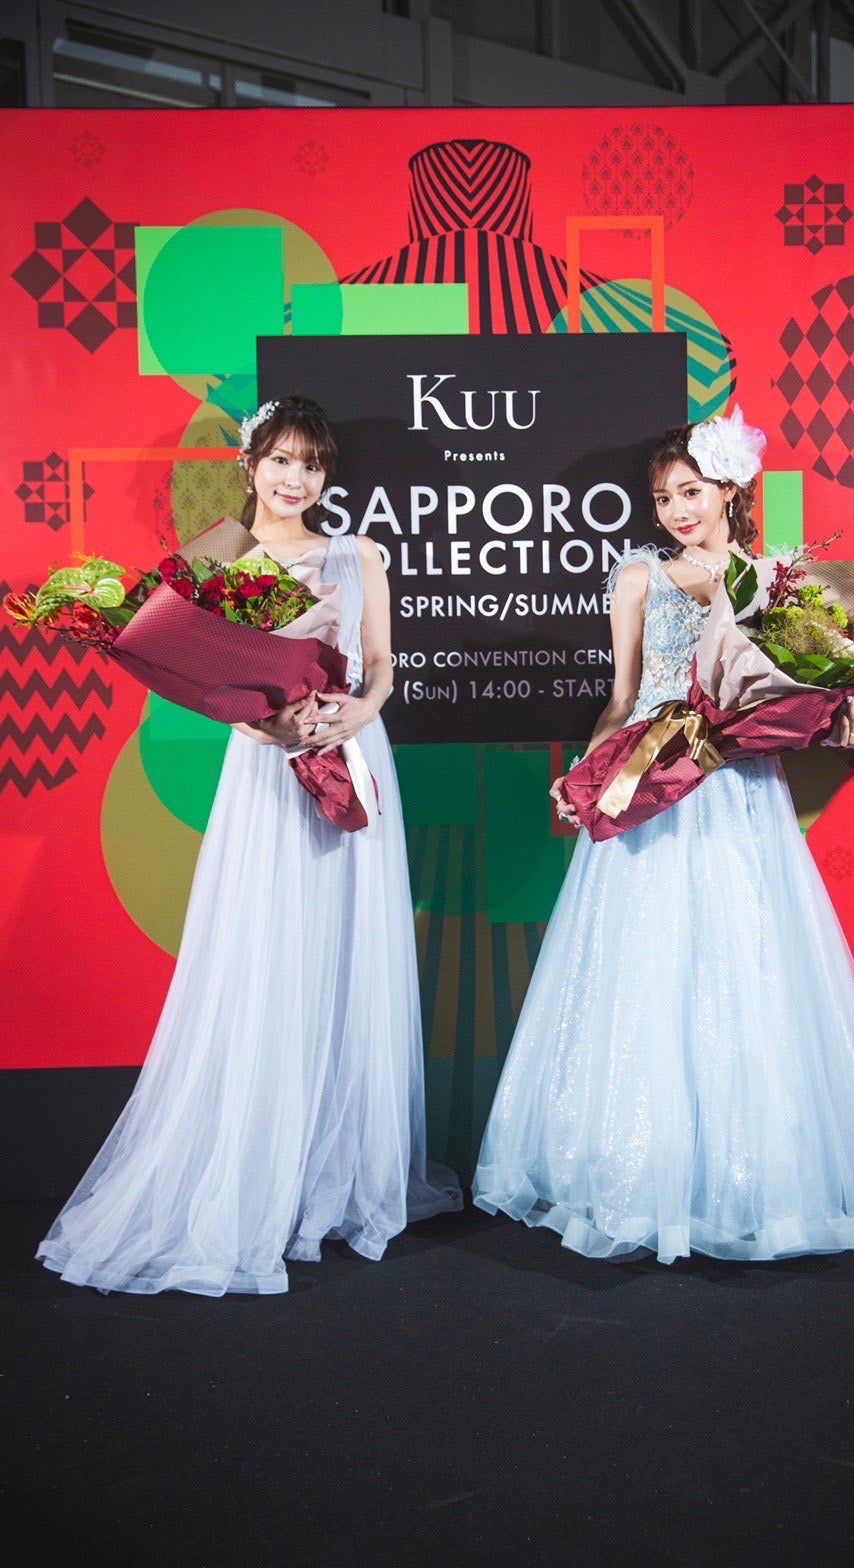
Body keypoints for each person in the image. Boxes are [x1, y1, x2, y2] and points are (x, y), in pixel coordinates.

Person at [473, 408, 854, 1263]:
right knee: (643, 969)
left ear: (729, 489)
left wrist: (842, 719)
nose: (677, 510)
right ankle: (641, 1175)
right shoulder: (639, 575)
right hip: (651, 786)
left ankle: (750, 1178)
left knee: (744, 965)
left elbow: (798, 700)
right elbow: (622, 698)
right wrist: (588, 776)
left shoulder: (777, 583)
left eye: (690, 491)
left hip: (736, 791)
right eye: (663, 498)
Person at [38, 396, 461, 1294]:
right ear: (250, 464)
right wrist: (268, 725)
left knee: (345, 953)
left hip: (352, 757)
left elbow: (383, 663)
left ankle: (335, 1172)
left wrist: (360, 711)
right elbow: (204, 684)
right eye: (281, 460)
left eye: (312, 464)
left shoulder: (359, 555)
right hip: (268, 773)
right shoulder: (215, 561)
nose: (295, 478)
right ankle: (256, 1171)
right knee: (267, 953)